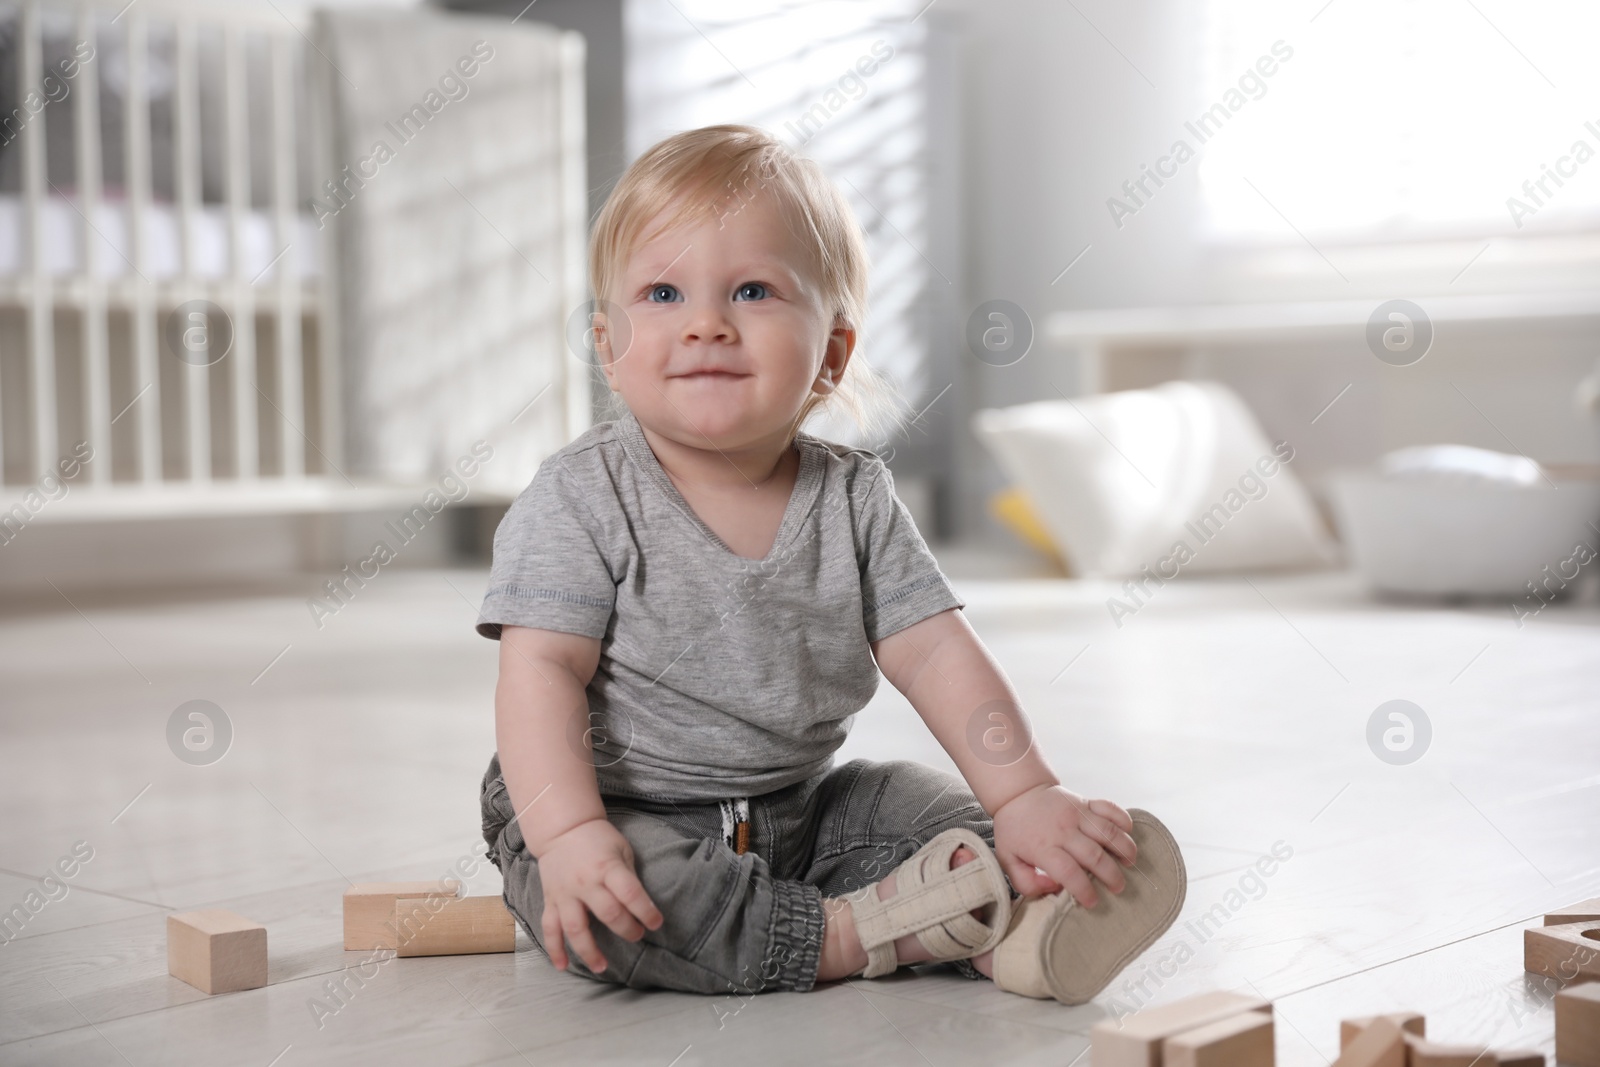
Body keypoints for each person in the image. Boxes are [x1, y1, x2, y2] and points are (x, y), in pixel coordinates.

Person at [476, 124, 1185, 999]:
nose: (705, 324)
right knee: (630, 902)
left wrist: (1024, 796)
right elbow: (539, 669)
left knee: (930, 813)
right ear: (608, 348)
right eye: (662, 292)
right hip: (616, 807)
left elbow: (936, 653)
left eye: (752, 290)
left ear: (833, 354)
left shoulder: (855, 501)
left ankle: (1007, 922)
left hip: (799, 812)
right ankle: (851, 935)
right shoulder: (582, 497)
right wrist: (569, 830)